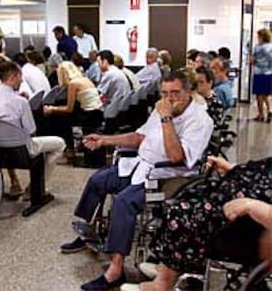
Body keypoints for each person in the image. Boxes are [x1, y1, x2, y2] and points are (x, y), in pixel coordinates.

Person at [61, 70, 214, 290]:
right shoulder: (162, 108)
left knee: (124, 202)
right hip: (141, 166)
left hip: (169, 176)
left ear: (188, 91)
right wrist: (104, 140)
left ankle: (115, 270)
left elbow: (176, 157)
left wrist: (166, 118)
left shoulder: (199, 120)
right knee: (97, 180)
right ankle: (88, 229)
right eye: (165, 93)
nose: (169, 99)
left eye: (175, 93)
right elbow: (139, 137)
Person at [121, 155, 272, 291]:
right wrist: (233, 168)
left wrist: (251, 205)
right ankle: (169, 266)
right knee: (189, 198)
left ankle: (162, 284)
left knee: (185, 215)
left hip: (256, 226)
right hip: (239, 204)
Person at [0, 62, 66, 198]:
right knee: (60, 143)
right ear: (13, 77)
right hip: (19, 153)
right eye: (20, 77)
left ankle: (34, 186)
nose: (22, 81)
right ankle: (37, 187)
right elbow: (31, 131)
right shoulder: (21, 102)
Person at [43, 61, 103, 156]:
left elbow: (68, 109)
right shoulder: (85, 79)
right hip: (97, 113)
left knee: (61, 119)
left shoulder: (73, 84)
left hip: (88, 116)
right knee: (65, 118)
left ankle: (68, 149)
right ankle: (70, 149)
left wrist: (52, 108)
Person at [251, 28, 272, 122]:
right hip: (269, 74)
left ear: (262, 37)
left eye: (258, 36)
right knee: (267, 94)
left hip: (259, 73)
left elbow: (252, 60)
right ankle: (270, 111)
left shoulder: (257, 47)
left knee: (259, 94)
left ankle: (261, 115)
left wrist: (255, 61)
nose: (257, 38)